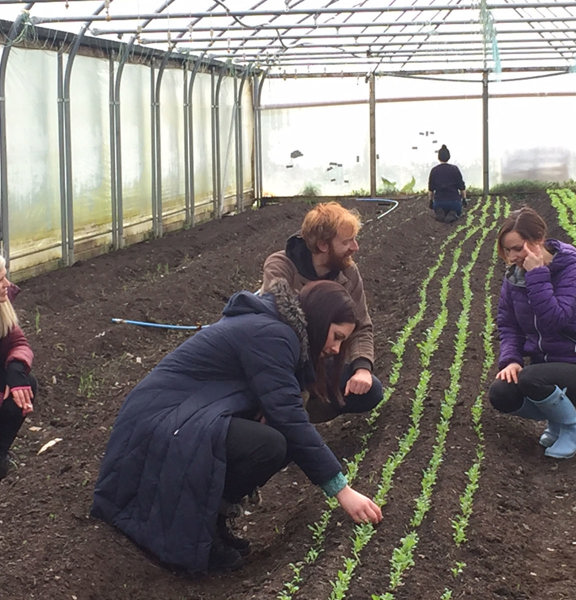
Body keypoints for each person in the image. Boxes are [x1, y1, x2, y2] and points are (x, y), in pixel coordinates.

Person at [91, 279, 382, 574]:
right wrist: (342, 490)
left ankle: (211, 522)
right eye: (336, 336)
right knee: (272, 443)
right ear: (320, 320)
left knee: (276, 439)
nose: (335, 348)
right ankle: (198, 530)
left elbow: (280, 403)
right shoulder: (274, 334)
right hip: (161, 421)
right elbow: (290, 417)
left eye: (343, 341)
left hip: (186, 413)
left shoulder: (279, 330)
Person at [261, 201, 382, 423]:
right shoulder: (281, 266)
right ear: (324, 245)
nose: (355, 247)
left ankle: (307, 415)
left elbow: (361, 325)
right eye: (347, 241)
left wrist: (362, 368)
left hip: (323, 362)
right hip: (286, 363)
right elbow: (280, 325)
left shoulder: (348, 272)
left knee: (371, 391)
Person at [488, 206, 576, 459]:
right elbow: (508, 325)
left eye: (518, 248)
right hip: (544, 363)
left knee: (532, 379)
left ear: (538, 240)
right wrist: (511, 360)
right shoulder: (514, 277)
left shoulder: (570, 267)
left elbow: (555, 321)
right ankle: (557, 421)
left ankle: (571, 427)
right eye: (507, 250)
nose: (513, 256)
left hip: (571, 361)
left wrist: (538, 275)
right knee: (502, 392)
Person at [0, 256, 36, 480]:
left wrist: (15, 370)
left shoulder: (3, 306)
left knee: (26, 386)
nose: (7, 284)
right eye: (0, 279)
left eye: (4, 276)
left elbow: (18, 343)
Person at [428, 144, 466, 223]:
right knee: (457, 209)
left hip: (439, 202)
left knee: (439, 208)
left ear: (439, 157)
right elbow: (462, 188)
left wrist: (431, 201)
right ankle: (453, 213)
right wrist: (464, 199)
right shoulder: (455, 169)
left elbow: (431, 190)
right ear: (449, 156)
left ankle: (440, 213)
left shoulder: (434, 170)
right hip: (454, 202)